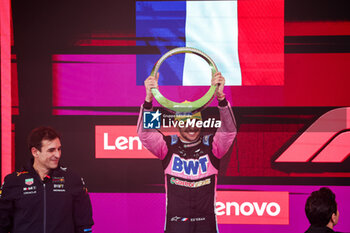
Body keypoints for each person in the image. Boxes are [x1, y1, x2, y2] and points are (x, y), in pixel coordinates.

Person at [137, 72, 237, 233]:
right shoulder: (168, 146)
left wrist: (221, 98)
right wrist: (150, 99)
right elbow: (146, 134)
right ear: (177, 125)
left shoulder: (212, 146)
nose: (191, 126)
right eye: (185, 122)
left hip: (206, 226)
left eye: (196, 121)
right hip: (176, 226)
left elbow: (229, 132)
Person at [0, 126, 94, 233]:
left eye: (59, 149)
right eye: (51, 150)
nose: (57, 155)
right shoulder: (13, 181)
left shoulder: (73, 179)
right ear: (35, 152)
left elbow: (84, 224)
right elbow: (2, 224)